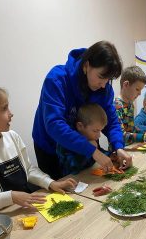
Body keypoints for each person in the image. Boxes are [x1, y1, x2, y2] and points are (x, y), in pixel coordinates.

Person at [32, 41, 132, 180]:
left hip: (84, 144)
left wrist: (118, 147)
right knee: (59, 188)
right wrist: (92, 151)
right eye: (101, 77)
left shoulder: (104, 89)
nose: (104, 85)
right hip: (50, 145)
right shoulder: (56, 79)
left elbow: (111, 121)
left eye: (108, 80)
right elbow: (54, 124)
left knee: (84, 180)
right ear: (86, 66)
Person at [0, 83, 77, 211]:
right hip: (2, 217)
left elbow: (29, 169)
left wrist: (51, 183)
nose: (11, 113)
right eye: (4, 109)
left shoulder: (12, 136)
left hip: (25, 207)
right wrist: (12, 196)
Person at [57, 103, 108, 175]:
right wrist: (88, 150)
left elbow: (98, 152)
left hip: (89, 175)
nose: (99, 135)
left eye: (100, 130)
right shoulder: (67, 142)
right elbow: (72, 167)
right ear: (80, 126)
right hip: (74, 180)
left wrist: (109, 155)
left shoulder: (91, 135)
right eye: (96, 131)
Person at [114, 66, 146, 146]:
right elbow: (120, 135)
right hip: (120, 152)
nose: (139, 93)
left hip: (132, 147)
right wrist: (143, 137)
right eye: (137, 89)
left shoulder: (130, 104)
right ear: (126, 85)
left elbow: (132, 128)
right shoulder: (117, 106)